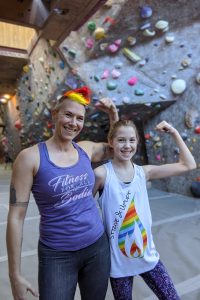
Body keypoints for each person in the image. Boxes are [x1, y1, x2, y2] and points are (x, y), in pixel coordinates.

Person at [6, 86, 119, 300]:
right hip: (57, 255)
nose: (73, 123)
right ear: (55, 114)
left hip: (97, 247)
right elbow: (16, 217)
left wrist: (113, 115)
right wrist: (15, 275)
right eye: (68, 115)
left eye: (79, 118)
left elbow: (115, 149)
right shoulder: (30, 158)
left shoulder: (85, 149)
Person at [93, 119, 196, 300]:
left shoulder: (144, 172)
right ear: (111, 141)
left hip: (148, 257)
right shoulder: (101, 174)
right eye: (121, 140)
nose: (127, 145)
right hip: (119, 264)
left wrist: (174, 132)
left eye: (132, 140)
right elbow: (82, 208)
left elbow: (189, 165)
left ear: (137, 142)